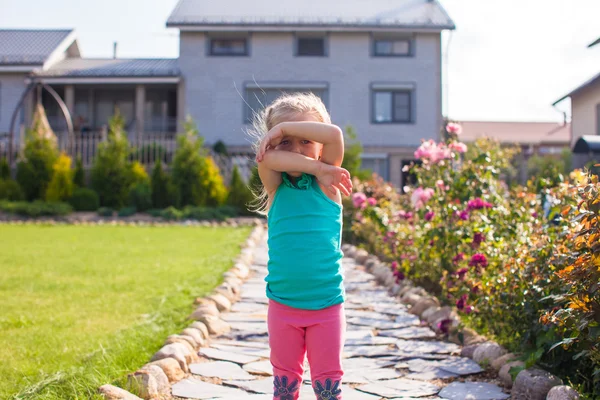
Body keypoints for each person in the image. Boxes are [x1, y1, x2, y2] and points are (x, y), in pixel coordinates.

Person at [252, 92, 352, 400]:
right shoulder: (276, 185)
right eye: (286, 141)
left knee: (327, 387)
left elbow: (334, 135)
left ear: (319, 146)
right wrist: (315, 165)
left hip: (326, 307)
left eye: (305, 138)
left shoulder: (328, 182)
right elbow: (268, 158)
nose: (296, 147)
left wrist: (284, 132)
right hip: (283, 307)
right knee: (285, 387)